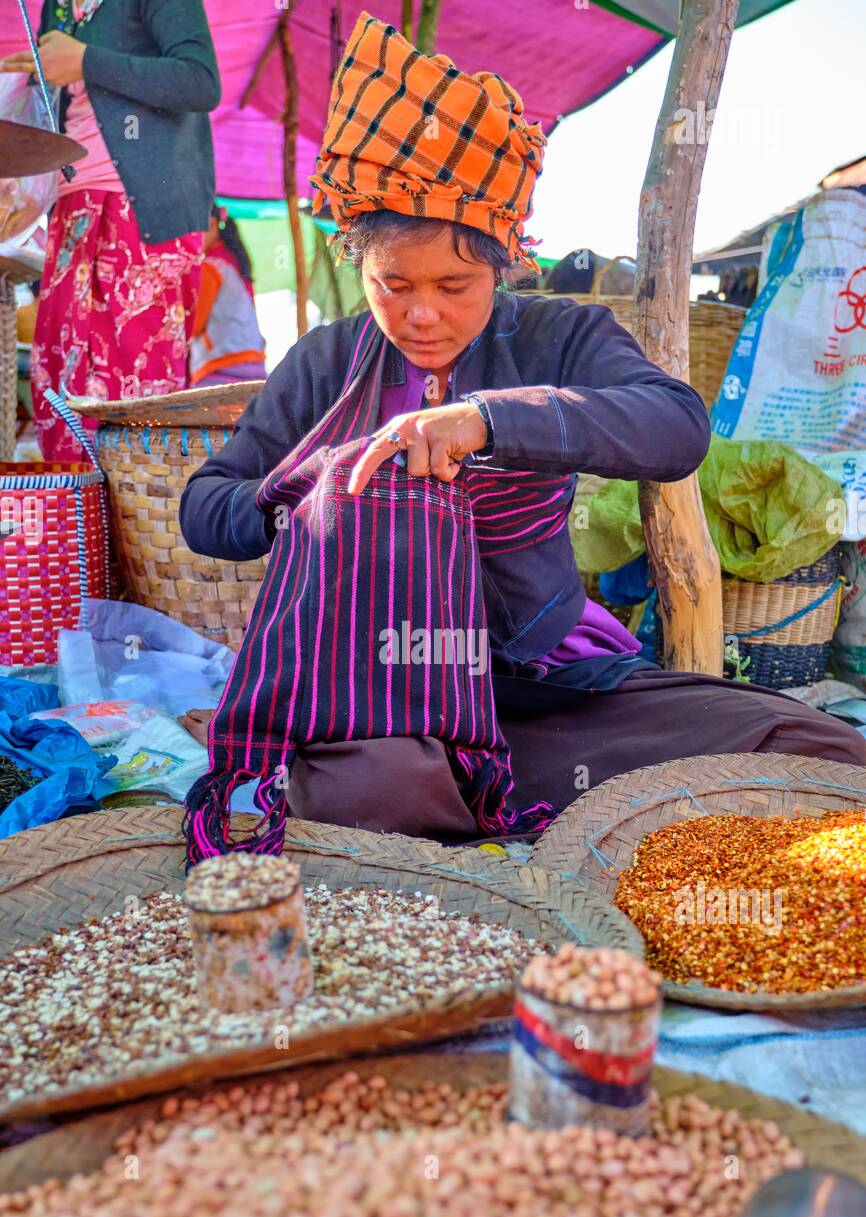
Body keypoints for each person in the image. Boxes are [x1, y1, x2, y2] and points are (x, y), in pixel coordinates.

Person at [178, 14, 864, 841]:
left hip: (540, 686)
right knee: (380, 797)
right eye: (393, 283)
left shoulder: (555, 336)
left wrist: (488, 421)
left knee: (810, 744)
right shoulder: (325, 362)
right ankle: (470, 821)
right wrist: (314, 488)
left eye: (456, 285)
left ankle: (499, 805)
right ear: (354, 262)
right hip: (376, 695)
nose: (422, 314)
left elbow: (675, 428)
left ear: (504, 262)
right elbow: (204, 505)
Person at [2, 0, 220, 461]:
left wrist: (85, 60)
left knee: (134, 392)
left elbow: (200, 82)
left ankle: (137, 526)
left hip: (145, 215)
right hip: (72, 208)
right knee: (59, 383)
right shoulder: (56, 7)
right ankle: (80, 524)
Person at [189, 204, 266, 387]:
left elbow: (195, 325)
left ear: (212, 225)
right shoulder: (233, 260)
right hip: (254, 363)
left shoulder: (211, 266)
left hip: (223, 364)